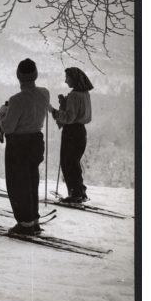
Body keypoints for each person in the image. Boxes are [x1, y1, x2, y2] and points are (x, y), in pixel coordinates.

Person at [0, 58, 49, 236]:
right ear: (35, 75)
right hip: (36, 141)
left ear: (18, 76)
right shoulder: (44, 93)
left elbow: (8, 127)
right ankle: (33, 220)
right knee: (31, 180)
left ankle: (25, 224)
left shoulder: (16, 100)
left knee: (18, 183)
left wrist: (3, 114)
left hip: (19, 144)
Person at [49, 67, 94, 203]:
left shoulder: (74, 95)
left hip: (71, 132)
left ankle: (75, 194)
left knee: (68, 163)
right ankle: (80, 191)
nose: (65, 80)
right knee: (74, 163)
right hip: (80, 131)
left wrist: (53, 110)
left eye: (67, 78)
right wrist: (65, 103)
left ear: (73, 79)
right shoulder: (85, 93)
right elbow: (78, 113)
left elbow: (69, 118)